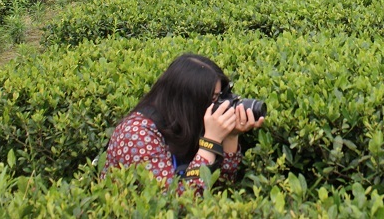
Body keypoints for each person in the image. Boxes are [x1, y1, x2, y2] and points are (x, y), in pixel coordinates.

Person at [102, 53, 264, 197]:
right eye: (213, 99)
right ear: (188, 101)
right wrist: (210, 142)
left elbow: (221, 188)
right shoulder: (137, 133)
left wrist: (231, 135)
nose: (219, 106)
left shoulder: (186, 123)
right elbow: (177, 203)